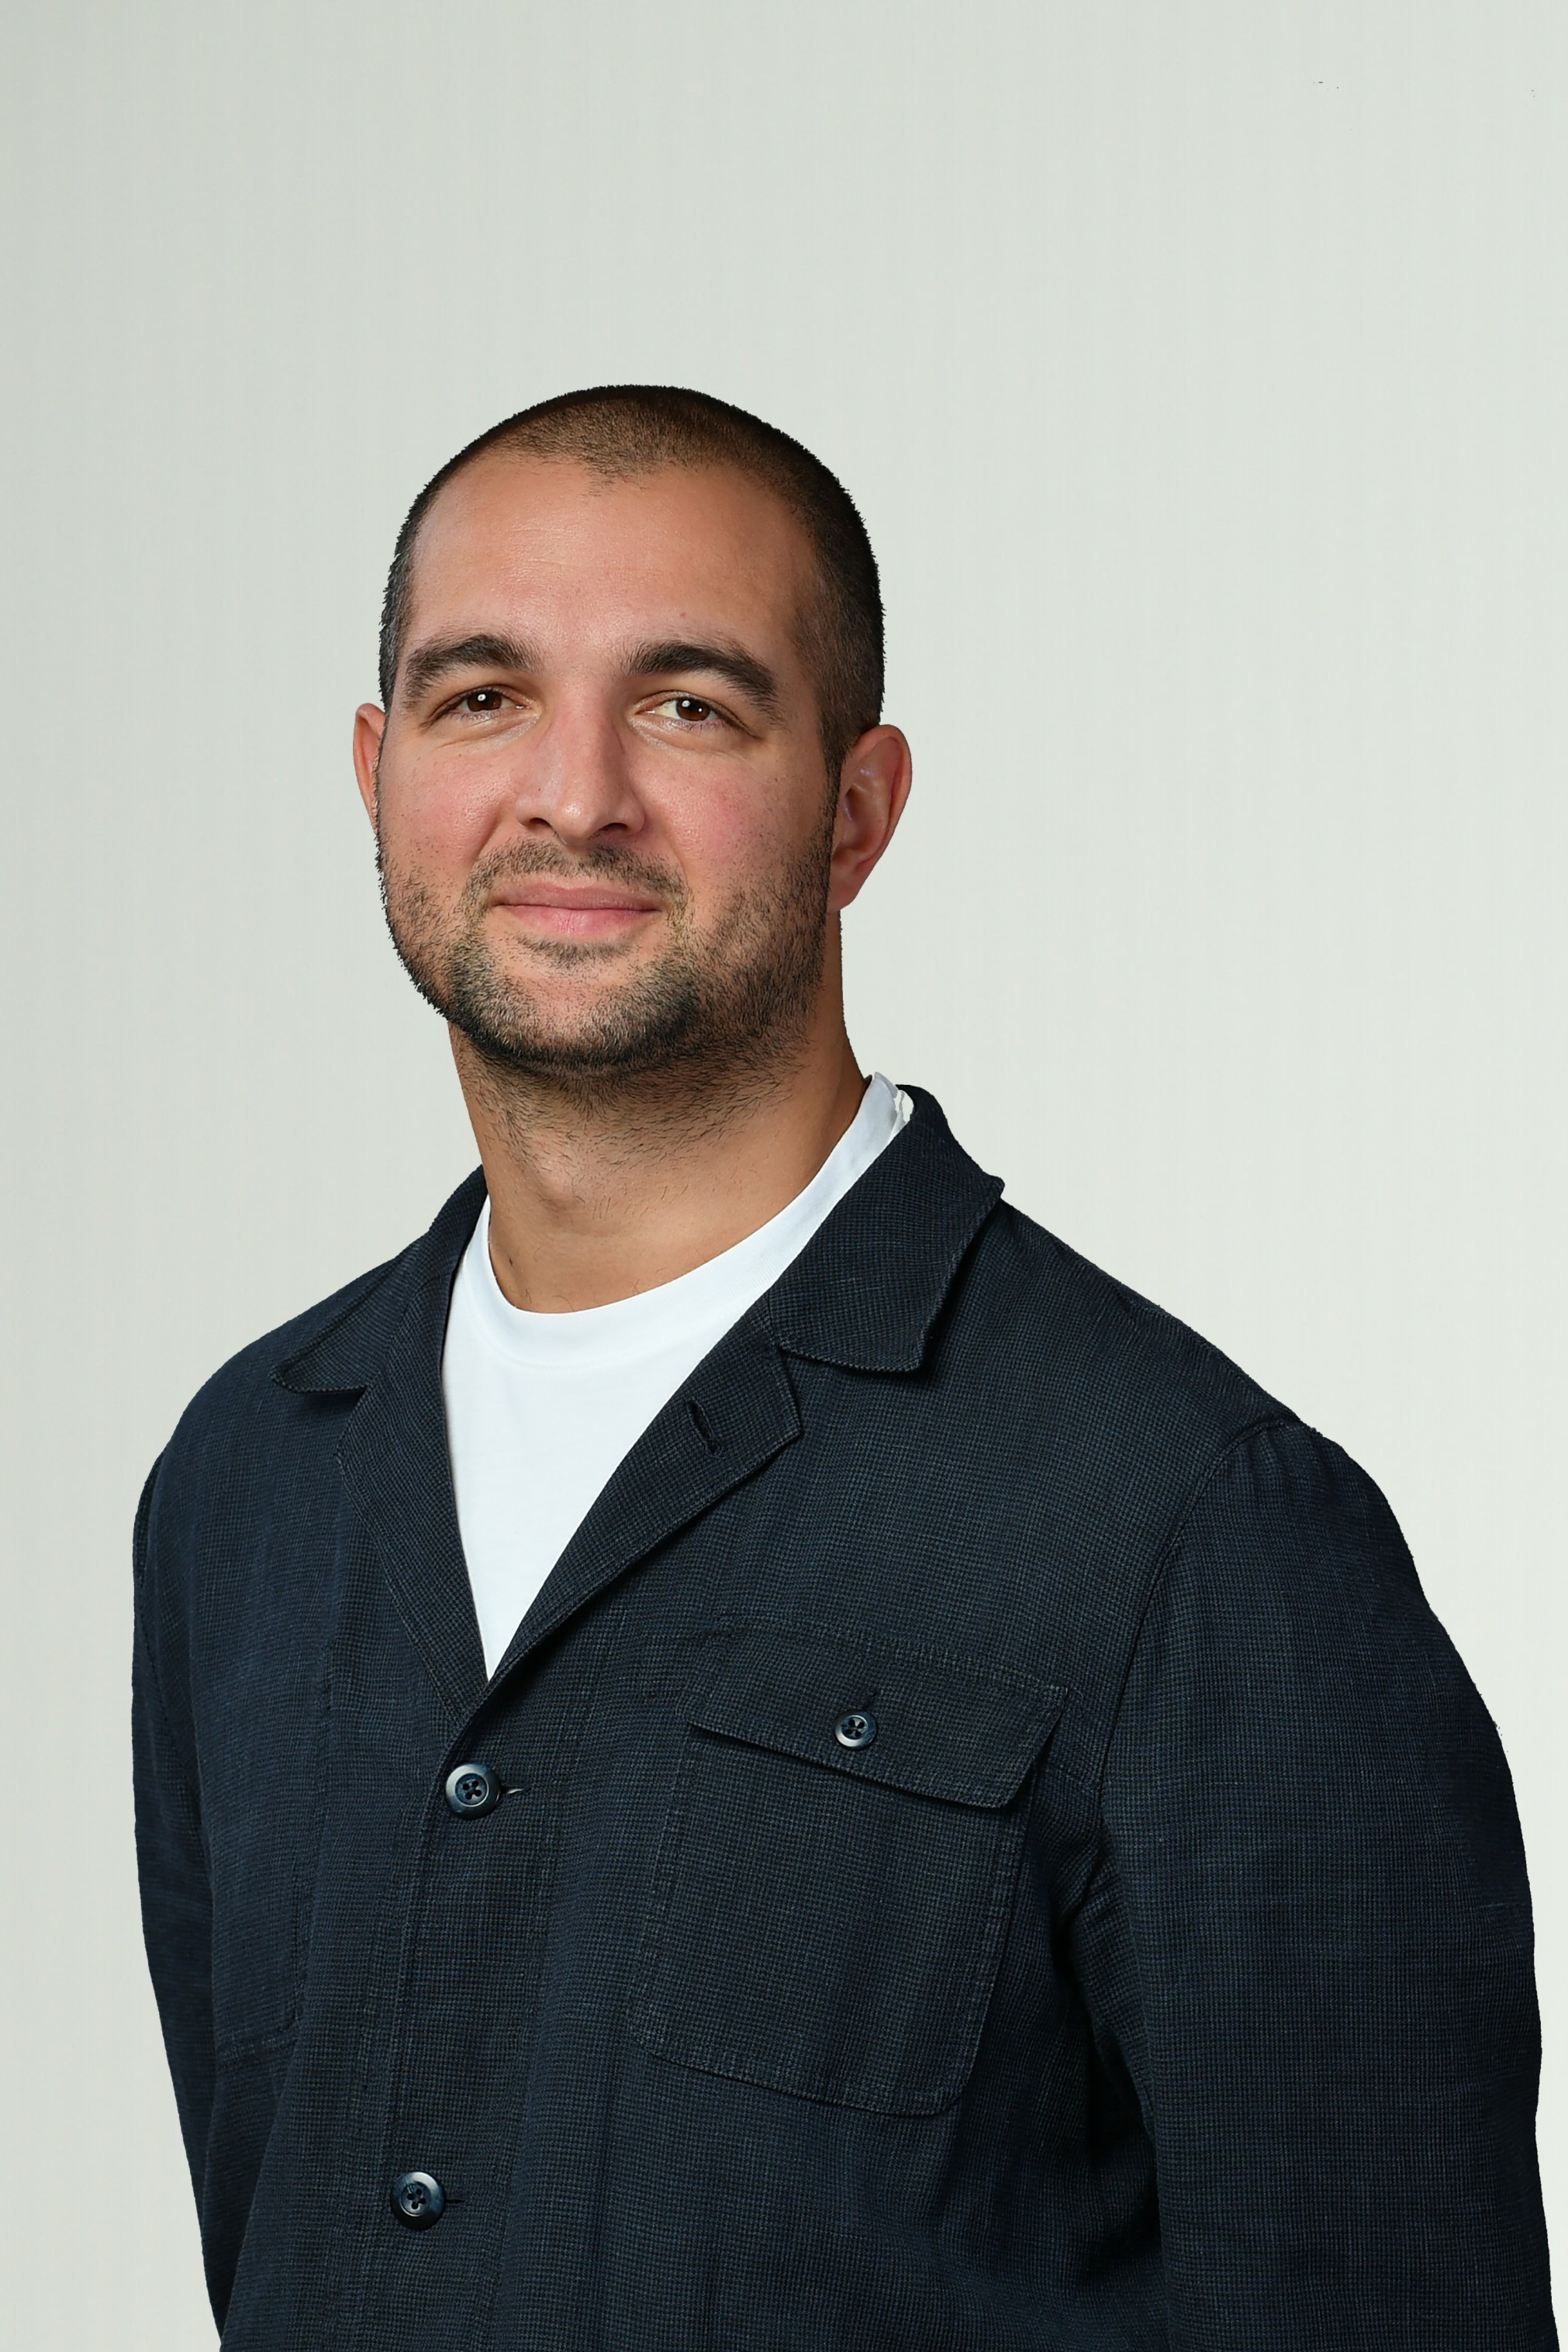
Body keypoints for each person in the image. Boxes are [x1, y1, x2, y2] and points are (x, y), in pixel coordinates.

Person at [133, 385, 1555, 2350]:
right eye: (484, 696)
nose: (571, 795)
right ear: (379, 774)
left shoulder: (1197, 1532)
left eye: (687, 703)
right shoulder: (248, 1485)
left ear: (858, 808)